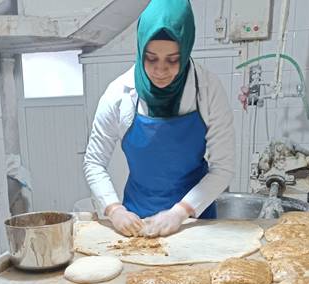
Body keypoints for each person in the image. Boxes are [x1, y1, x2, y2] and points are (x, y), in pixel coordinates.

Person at [84, 0, 236, 238]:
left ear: (185, 51)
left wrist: (180, 212)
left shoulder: (207, 90)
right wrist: (114, 210)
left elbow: (223, 168)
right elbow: (94, 162)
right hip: (137, 221)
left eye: (173, 59)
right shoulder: (119, 94)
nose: (160, 70)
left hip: (194, 219)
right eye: (151, 58)